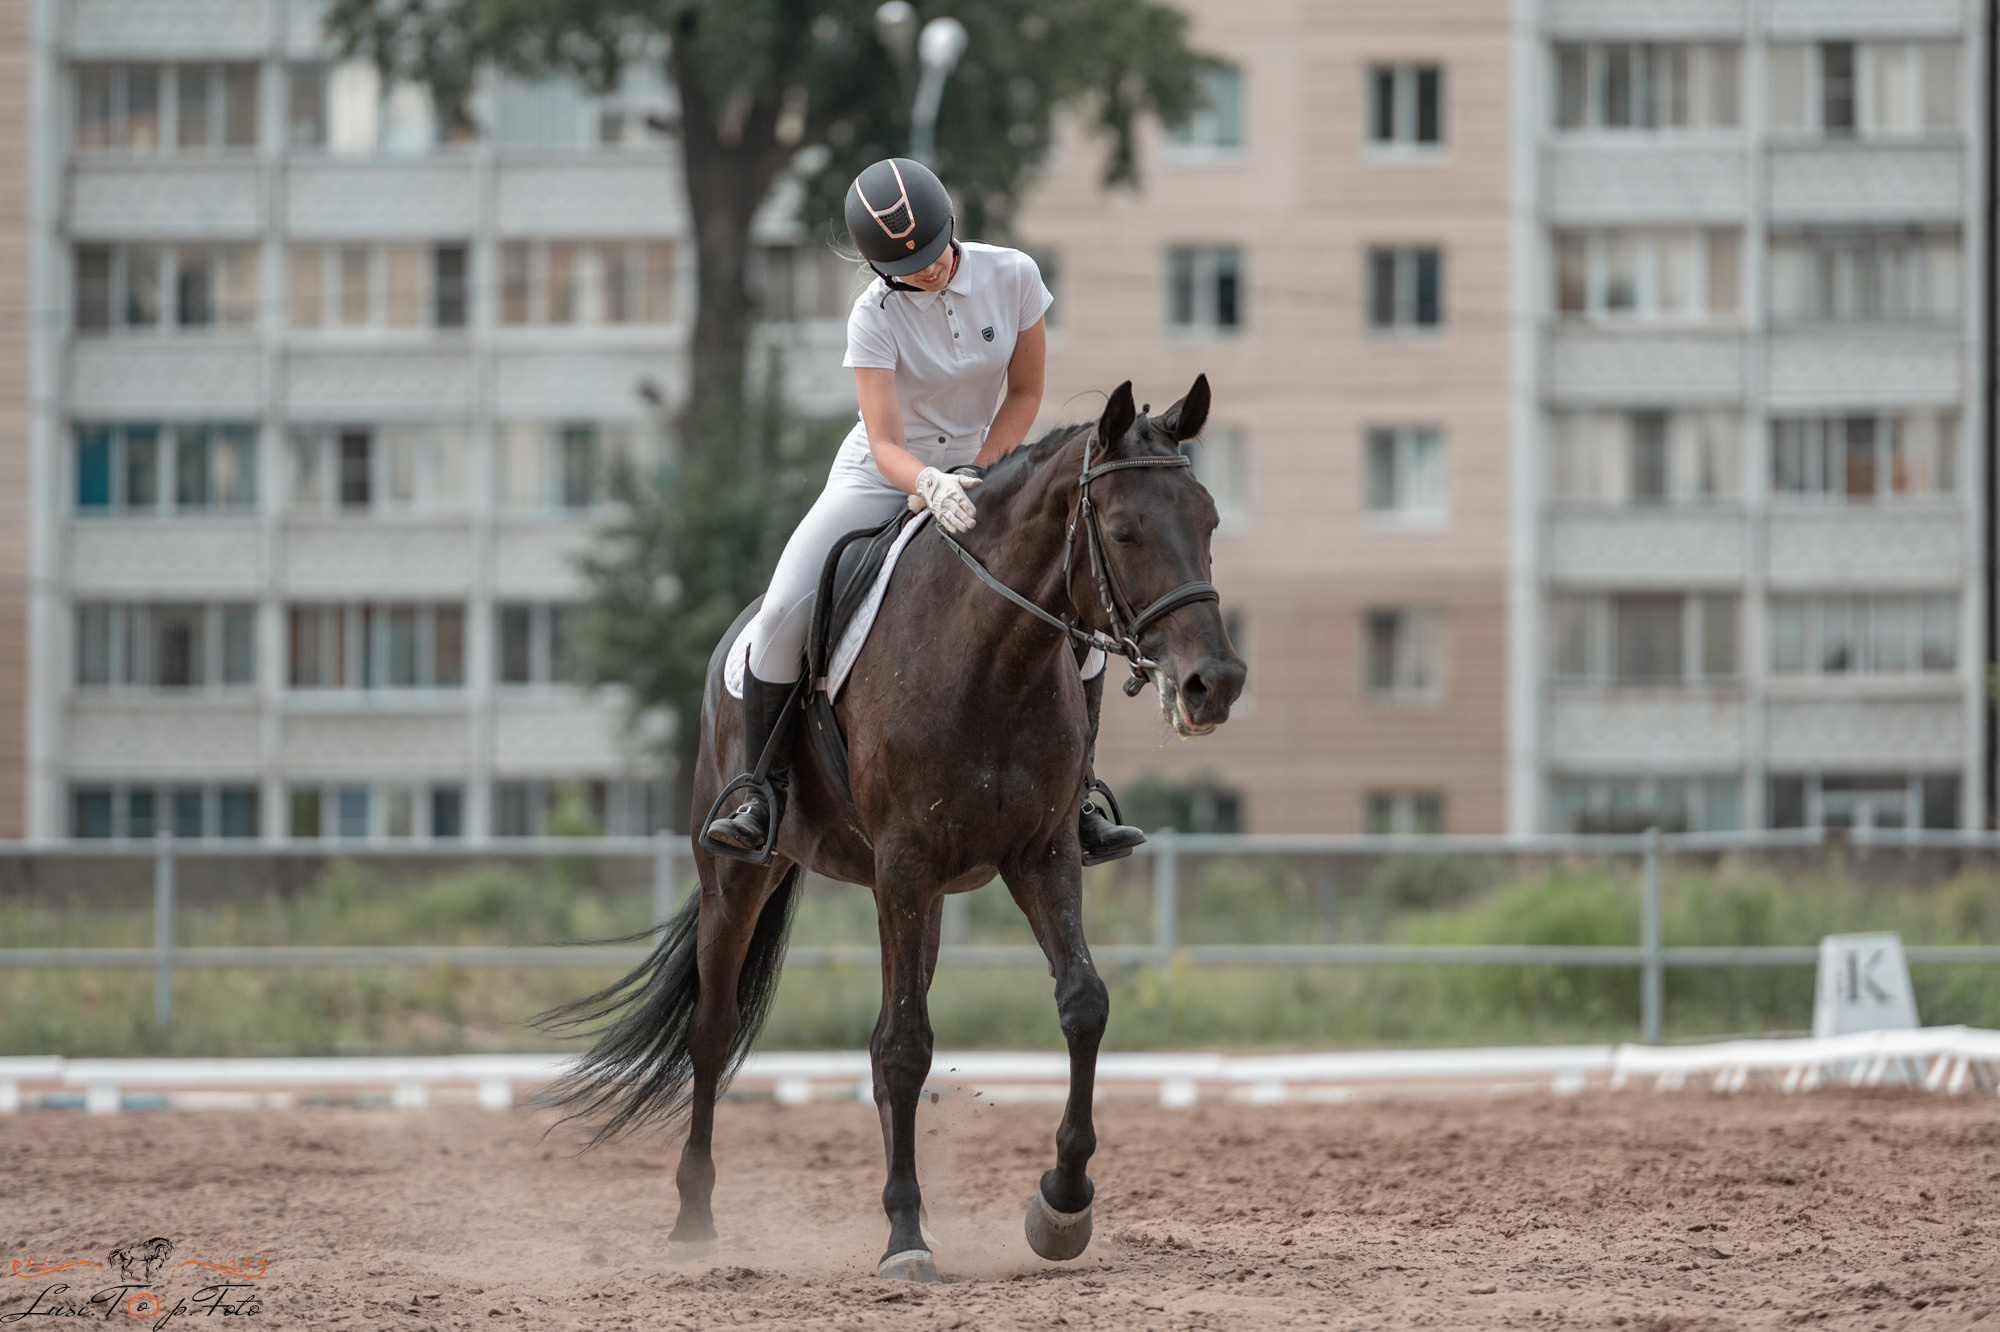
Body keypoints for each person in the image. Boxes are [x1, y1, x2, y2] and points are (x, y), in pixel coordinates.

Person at [704, 156, 1147, 863]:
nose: (930, 269)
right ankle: (761, 792)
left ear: (952, 228)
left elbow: (1025, 393)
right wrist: (930, 483)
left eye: (935, 252)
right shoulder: (872, 316)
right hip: (883, 473)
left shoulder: (1013, 276)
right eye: (908, 268)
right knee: (782, 610)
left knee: (1079, 615)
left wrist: (982, 471)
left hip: (989, 465)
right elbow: (884, 441)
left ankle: (1081, 798)